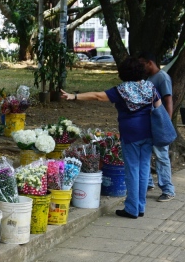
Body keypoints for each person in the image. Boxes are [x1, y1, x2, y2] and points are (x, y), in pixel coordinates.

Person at [60, 58, 156, 219]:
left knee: (132, 169)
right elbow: (158, 105)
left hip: (131, 133)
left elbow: (98, 96)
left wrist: (74, 96)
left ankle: (132, 209)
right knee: (144, 168)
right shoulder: (149, 86)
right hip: (149, 131)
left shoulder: (123, 89)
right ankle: (141, 206)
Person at [140, 52, 176, 202]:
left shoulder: (162, 77)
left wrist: (165, 122)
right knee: (145, 154)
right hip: (149, 124)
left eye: (142, 65)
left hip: (159, 125)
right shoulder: (149, 78)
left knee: (161, 157)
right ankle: (148, 184)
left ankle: (168, 190)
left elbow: (168, 101)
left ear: (150, 62)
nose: (141, 68)